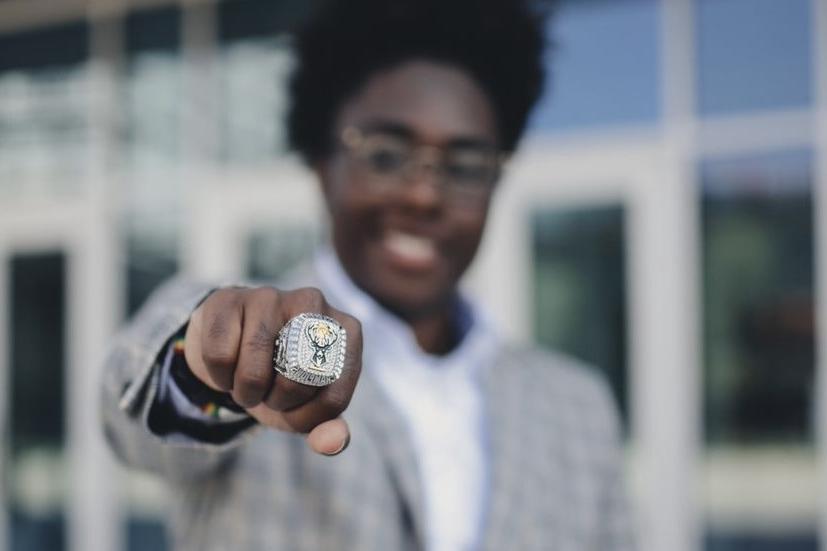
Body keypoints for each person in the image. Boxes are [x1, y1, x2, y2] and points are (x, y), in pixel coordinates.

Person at [101, 0, 635, 549]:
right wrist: (206, 367)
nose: (425, 194)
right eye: (385, 155)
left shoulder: (579, 408)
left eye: (467, 165)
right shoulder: (259, 347)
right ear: (320, 162)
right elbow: (133, 421)